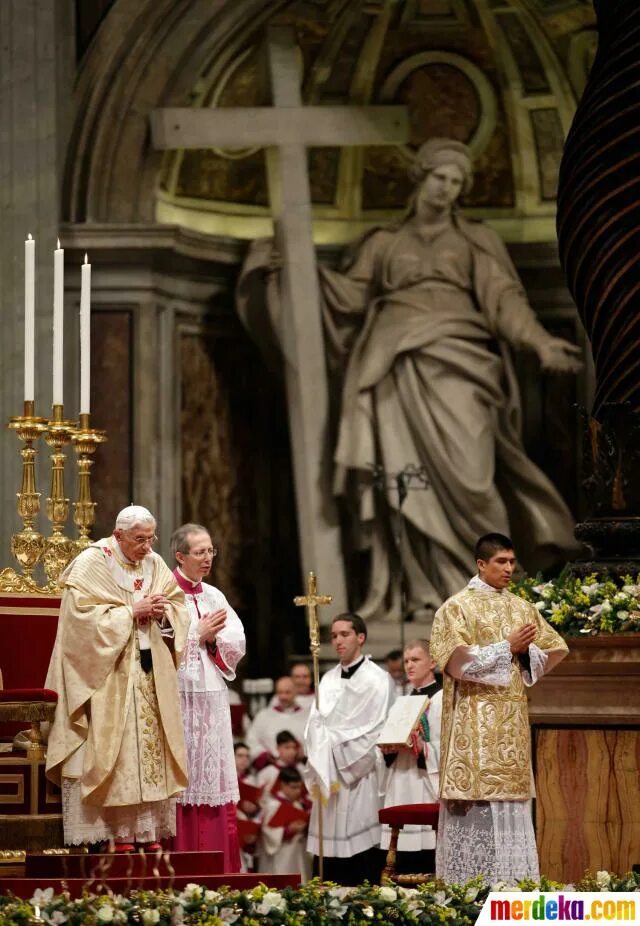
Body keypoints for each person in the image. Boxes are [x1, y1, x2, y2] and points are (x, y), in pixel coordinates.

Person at [238, 138, 581, 622]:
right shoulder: (383, 242)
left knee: (474, 479)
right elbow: (347, 298)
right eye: (441, 176)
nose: (447, 188)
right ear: (420, 176)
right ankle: (414, 594)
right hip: (390, 368)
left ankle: (488, 594)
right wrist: (295, 270)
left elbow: (505, 302)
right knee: (399, 485)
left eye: (457, 181)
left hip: (460, 364)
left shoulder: (474, 241)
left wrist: (542, 344)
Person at [45, 505, 189, 849]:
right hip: (107, 675)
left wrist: (163, 612)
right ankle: (115, 833)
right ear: (119, 534)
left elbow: (177, 605)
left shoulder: (154, 562)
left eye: (151, 538)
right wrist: (130, 613)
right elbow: (78, 625)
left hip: (148, 673)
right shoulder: (91, 563)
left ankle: (145, 830)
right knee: (120, 751)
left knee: (149, 751)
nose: (147, 546)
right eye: (139, 539)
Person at [430, 532, 569, 883]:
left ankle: (512, 894)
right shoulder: (456, 607)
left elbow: (553, 650)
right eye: (501, 562)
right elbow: (456, 663)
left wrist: (524, 652)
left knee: (512, 812)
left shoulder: (522, 608)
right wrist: (505, 647)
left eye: (511, 561)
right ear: (481, 564)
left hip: (511, 727)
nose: (509, 568)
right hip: (472, 727)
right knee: (477, 813)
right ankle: (468, 896)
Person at [170, 522, 246, 870]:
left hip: (212, 698)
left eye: (211, 551)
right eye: (200, 552)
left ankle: (221, 867)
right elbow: (154, 646)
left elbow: (236, 640)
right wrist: (195, 635)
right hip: (179, 696)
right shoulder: (164, 592)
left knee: (212, 777)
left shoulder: (215, 596)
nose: (208, 558)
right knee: (182, 779)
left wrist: (212, 640)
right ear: (180, 556)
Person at [304, 612, 395, 884]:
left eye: (344, 634)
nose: (338, 641)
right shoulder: (327, 679)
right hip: (329, 776)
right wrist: (323, 745)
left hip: (360, 775)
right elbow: (313, 724)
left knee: (361, 853)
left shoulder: (379, 680)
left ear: (361, 637)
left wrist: (340, 751)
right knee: (328, 861)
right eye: (333, 636)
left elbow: (379, 730)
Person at [379, 639, 442, 874]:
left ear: (433, 662)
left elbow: (450, 748)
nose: (409, 665)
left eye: (415, 660)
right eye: (406, 661)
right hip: (399, 782)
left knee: (425, 855)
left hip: (424, 785)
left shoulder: (443, 699)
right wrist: (387, 750)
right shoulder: (401, 702)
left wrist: (424, 748)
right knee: (399, 859)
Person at [258, 766, 312, 881]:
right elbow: (267, 832)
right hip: (280, 854)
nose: (298, 791)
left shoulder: (297, 804)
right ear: (283, 785)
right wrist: (288, 830)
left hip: (298, 852)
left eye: (299, 787)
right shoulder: (273, 805)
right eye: (294, 787)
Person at [247, 675, 307, 768]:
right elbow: (252, 740)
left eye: (287, 692)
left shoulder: (307, 716)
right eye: (280, 692)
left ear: (296, 692)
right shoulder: (264, 716)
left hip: (301, 769)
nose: (283, 696)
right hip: (271, 768)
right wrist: (267, 756)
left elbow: (315, 744)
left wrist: (303, 753)